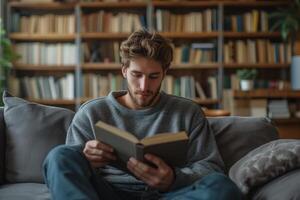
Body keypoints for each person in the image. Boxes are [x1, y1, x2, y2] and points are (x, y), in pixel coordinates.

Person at [43, 29, 242, 200]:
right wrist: (86, 157)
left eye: (153, 76)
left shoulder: (188, 112)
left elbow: (211, 167)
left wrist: (173, 178)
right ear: (124, 71)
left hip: (167, 194)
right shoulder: (92, 112)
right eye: (136, 75)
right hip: (107, 193)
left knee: (221, 186)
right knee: (59, 156)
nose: (144, 86)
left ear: (165, 73)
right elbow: (69, 168)